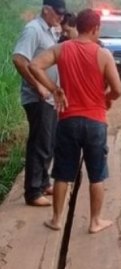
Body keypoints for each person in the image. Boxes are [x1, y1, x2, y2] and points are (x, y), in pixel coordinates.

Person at [29, 8, 121, 233]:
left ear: (78, 26)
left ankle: (56, 220)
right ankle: (95, 222)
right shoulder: (103, 54)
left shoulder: (61, 49)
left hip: (68, 120)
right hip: (95, 122)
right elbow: (118, 89)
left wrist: (54, 89)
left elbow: (34, 65)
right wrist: (106, 99)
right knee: (96, 175)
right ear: (95, 29)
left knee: (62, 173)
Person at [12, 0, 66, 206]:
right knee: (39, 143)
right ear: (46, 10)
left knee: (49, 141)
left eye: (63, 14)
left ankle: (43, 183)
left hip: (51, 98)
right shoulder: (33, 30)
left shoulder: (51, 30)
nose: (60, 17)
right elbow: (19, 59)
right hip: (38, 98)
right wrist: (38, 86)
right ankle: (33, 192)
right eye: (57, 13)